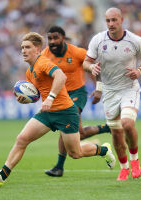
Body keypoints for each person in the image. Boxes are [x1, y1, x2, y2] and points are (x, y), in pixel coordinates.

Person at [0, 32, 115, 186]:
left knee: (75, 153)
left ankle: (104, 150)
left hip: (66, 112)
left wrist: (51, 98)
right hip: (47, 113)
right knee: (22, 139)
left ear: (38, 50)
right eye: (22, 48)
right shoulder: (29, 71)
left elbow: (61, 77)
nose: (24, 51)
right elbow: (38, 95)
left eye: (28, 47)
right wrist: (25, 100)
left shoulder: (43, 63)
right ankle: (2, 175)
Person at [83, 7, 141, 181]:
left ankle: (135, 160)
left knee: (127, 124)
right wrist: (91, 67)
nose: (111, 24)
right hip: (109, 91)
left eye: (114, 20)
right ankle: (124, 168)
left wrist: (139, 71)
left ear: (122, 20)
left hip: (129, 88)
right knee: (116, 133)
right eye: (108, 21)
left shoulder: (135, 40)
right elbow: (86, 62)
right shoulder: (98, 40)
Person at [41, 26, 111, 177]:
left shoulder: (77, 52)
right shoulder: (44, 55)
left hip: (77, 93)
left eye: (55, 38)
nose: (52, 41)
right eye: (50, 38)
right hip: (60, 96)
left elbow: (95, 67)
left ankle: (59, 167)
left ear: (63, 38)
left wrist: (98, 88)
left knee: (65, 124)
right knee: (80, 133)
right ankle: (107, 128)